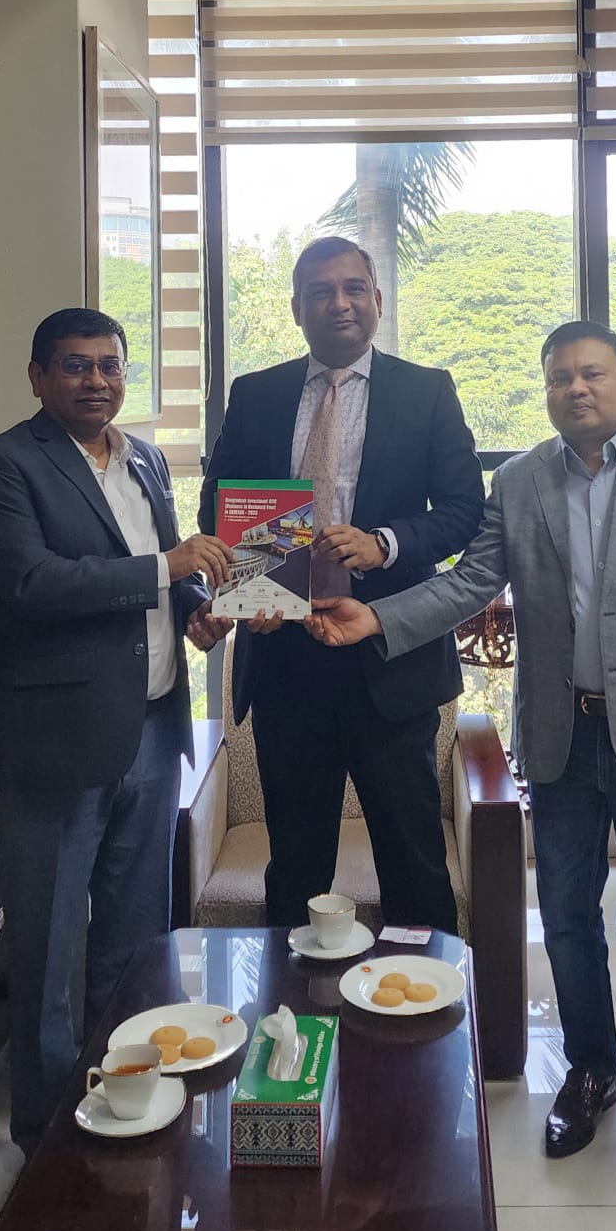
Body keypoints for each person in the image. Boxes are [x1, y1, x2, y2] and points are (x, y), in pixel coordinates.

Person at [308, 320, 616, 1176]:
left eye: (592, 374)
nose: (575, 389)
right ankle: (589, 1070)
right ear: (545, 390)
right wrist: (377, 619)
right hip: (560, 734)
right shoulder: (517, 480)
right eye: (558, 378)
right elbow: (474, 581)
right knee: (568, 918)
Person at [0, 307, 233, 1152]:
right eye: (75, 366)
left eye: (110, 366)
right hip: (56, 743)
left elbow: (167, 575)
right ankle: (46, 1141)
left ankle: (129, 1105)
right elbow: (30, 583)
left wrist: (198, 606)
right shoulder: (1, 464)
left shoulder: (144, 458)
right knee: (48, 951)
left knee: (133, 940)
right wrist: (167, 568)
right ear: (37, 376)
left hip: (152, 731)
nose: (96, 381)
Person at [198, 235, 485, 933]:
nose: (339, 303)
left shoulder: (426, 391)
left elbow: (462, 512)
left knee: (413, 860)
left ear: (377, 300)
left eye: (354, 288)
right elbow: (219, 507)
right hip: (285, 659)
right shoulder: (256, 394)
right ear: (297, 308)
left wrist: (384, 543)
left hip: (390, 658)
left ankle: (421, 997)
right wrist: (255, 589)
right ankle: (294, 999)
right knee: (295, 865)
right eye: (320, 292)